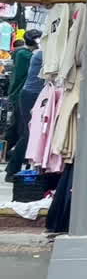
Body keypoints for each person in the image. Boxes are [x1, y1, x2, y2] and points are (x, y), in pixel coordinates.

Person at [4, 32, 37, 180]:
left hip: (20, 96)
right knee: (21, 132)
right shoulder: (25, 54)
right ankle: (12, 167)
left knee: (16, 131)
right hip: (20, 96)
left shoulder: (23, 53)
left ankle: (8, 161)